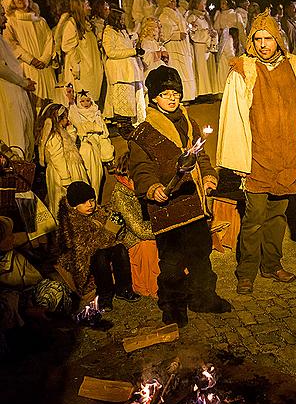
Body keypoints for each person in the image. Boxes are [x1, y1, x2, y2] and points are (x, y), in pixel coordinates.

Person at [217, 11, 296, 294]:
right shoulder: (244, 70)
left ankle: (272, 264)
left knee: (277, 216)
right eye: (257, 39)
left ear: (278, 40)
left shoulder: (295, 67)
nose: (263, 44)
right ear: (251, 42)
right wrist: (238, 159)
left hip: (285, 157)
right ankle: (246, 270)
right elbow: (233, 116)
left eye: (268, 39)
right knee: (254, 218)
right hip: (257, 158)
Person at [129, 65, 231, 327]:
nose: (172, 98)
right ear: (154, 98)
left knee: (200, 254)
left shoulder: (189, 122)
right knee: (172, 263)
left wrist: (208, 176)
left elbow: (201, 157)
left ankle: (203, 298)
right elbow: (141, 169)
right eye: (165, 93)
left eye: (175, 92)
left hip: (193, 203)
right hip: (167, 208)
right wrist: (152, 188)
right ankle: (172, 307)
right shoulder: (143, 133)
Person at [57, 181, 141, 311]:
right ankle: (105, 295)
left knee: (120, 249)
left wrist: (118, 225)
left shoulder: (99, 212)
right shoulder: (70, 222)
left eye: (92, 200)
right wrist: (110, 231)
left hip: (100, 248)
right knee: (100, 256)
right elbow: (88, 246)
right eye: (84, 202)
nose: (90, 205)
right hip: (82, 259)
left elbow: (116, 237)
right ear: (74, 206)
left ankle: (123, 289)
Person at [109, 152, 159, 297]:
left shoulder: (143, 188)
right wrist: (161, 230)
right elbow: (138, 229)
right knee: (148, 246)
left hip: (148, 227)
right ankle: (152, 286)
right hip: (129, 236)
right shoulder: (121, 194)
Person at [4, 0, 55, 110]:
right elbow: (11, 43)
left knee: (49, 103)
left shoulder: (40, 21)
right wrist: (31, 59)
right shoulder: (11, 21)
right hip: (27, 66)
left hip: (44, 67)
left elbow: (50, 40)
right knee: (32, 103)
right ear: (13, 2)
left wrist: (44, 59)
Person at [37, 103, 88, 217]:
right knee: (62, 201)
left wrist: (70, 130)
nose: (67, 119)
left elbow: (69, 144)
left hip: (67, 168)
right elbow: (57, 158)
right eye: (65, 117)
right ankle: (64, 225)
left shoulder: (61, 132)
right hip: (62, 174)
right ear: (58, 118)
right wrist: (66, 180)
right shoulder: (54, 135)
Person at [0, 5, 35, 161]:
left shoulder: (2, 40)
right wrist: (22, 82)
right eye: (1, 15)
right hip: (7, 93)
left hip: (16, 89)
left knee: (23, 129)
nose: (5, 19)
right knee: (13, 132)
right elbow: (1, 68)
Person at [66, 87, 114, 199]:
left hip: (98, 142)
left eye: (88, 100)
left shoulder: (96, 112)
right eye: (82, 101)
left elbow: (102, 129)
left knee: (98, 173)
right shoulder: (76, 113)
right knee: (90, 173)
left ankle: (95, 198)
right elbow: (74, 118)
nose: (85, 103)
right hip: (87, 144)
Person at [102, 6, 146, 125]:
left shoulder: (123, 32)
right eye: (121, 19)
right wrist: (132, 52)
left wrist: (136, 50)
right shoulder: (108, 32)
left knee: (136, 99)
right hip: (120, 72)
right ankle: (123, 123)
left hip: (131, 71)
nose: (122, 21)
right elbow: (110, 52)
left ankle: (137, 122)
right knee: (124, 101)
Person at [61, 0, 103, 102]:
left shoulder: (87, 24)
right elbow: (68, 46)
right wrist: (76, 65)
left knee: (92, 98)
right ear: (79, 7)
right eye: (87, 5)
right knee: (83, 99)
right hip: (82, 68)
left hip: (91, 67)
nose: (89, 8)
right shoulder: (71, 24)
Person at [157, 0, 197, 102]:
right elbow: (164, 34)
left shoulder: (178, 14)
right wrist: (176, 35)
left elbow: (183, 26)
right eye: (172, 1)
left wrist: (190, 27)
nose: (174, 4)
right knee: (177, 70)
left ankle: (188, 95)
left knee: (186, 70)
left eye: (174, 1)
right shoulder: (164, 16)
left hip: (183, 47)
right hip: (173, 47)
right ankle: (178, 95)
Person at [187, 0, 218, 98]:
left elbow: (209, 29)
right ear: (197, 5)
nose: (204, 6)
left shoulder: (205, 17)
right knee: (201, 69)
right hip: (199, 46)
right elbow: (193, 34)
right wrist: (206, 33)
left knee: (207, 69)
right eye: (203, 4)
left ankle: (210, 91)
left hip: (207, 46)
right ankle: (202, 93)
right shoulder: (192, 17)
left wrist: (213, 34)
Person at [214, 0, 246, 92]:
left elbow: (241, 31)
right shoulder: (220, 15)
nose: (222, 5)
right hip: (223, 42)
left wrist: (244, 45)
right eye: (221, 3)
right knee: (223, 64)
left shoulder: (236, 15)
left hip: (233, 41)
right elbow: (216, 28)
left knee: (233, 61)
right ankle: (222, 89)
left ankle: (234, 87)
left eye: (224, 3)